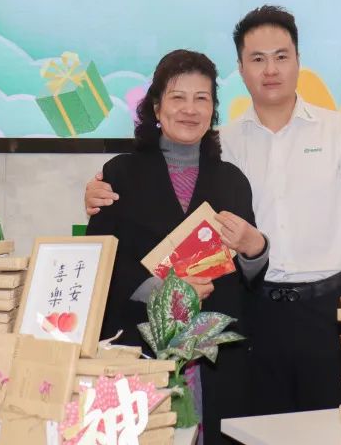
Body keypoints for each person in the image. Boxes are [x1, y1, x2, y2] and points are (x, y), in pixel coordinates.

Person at [86, 6, 341, 416]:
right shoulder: (223, 145)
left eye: (281, 56)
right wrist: (96, 191)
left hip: (327, 310)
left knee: (331, 426)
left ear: (298, 60)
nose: (271, 69)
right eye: (257, 58)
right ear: (241, 69)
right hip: (255, 316)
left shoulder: (339, 131)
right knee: (257, 430)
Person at [85, 49, 268, 445]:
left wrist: (256, 251)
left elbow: (247, 277)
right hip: (139, 349)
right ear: (156, 107)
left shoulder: (232, 180)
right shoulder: (119, 173)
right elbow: (100, 260)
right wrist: (163, 290)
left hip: (216, 359)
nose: (190, 109)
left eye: (202, 98)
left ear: (213, 110)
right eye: (177, 97)